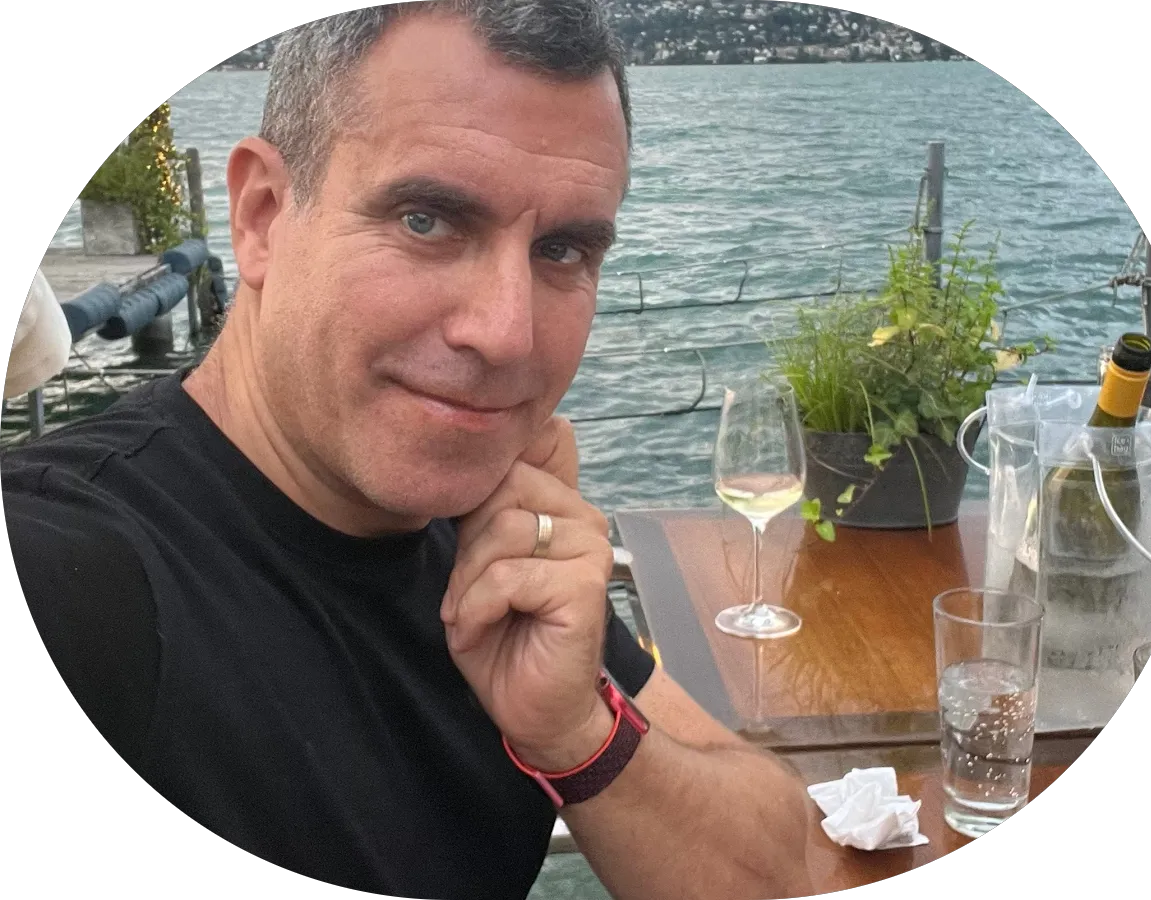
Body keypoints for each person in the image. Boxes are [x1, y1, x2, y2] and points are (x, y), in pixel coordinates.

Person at [4, 3, 814, 898]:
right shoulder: (80, 572)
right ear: (263, 217)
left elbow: (781, 869)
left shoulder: (486, 534)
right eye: (426, 221)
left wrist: (577, 734)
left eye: (561, 249)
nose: (505, 333)